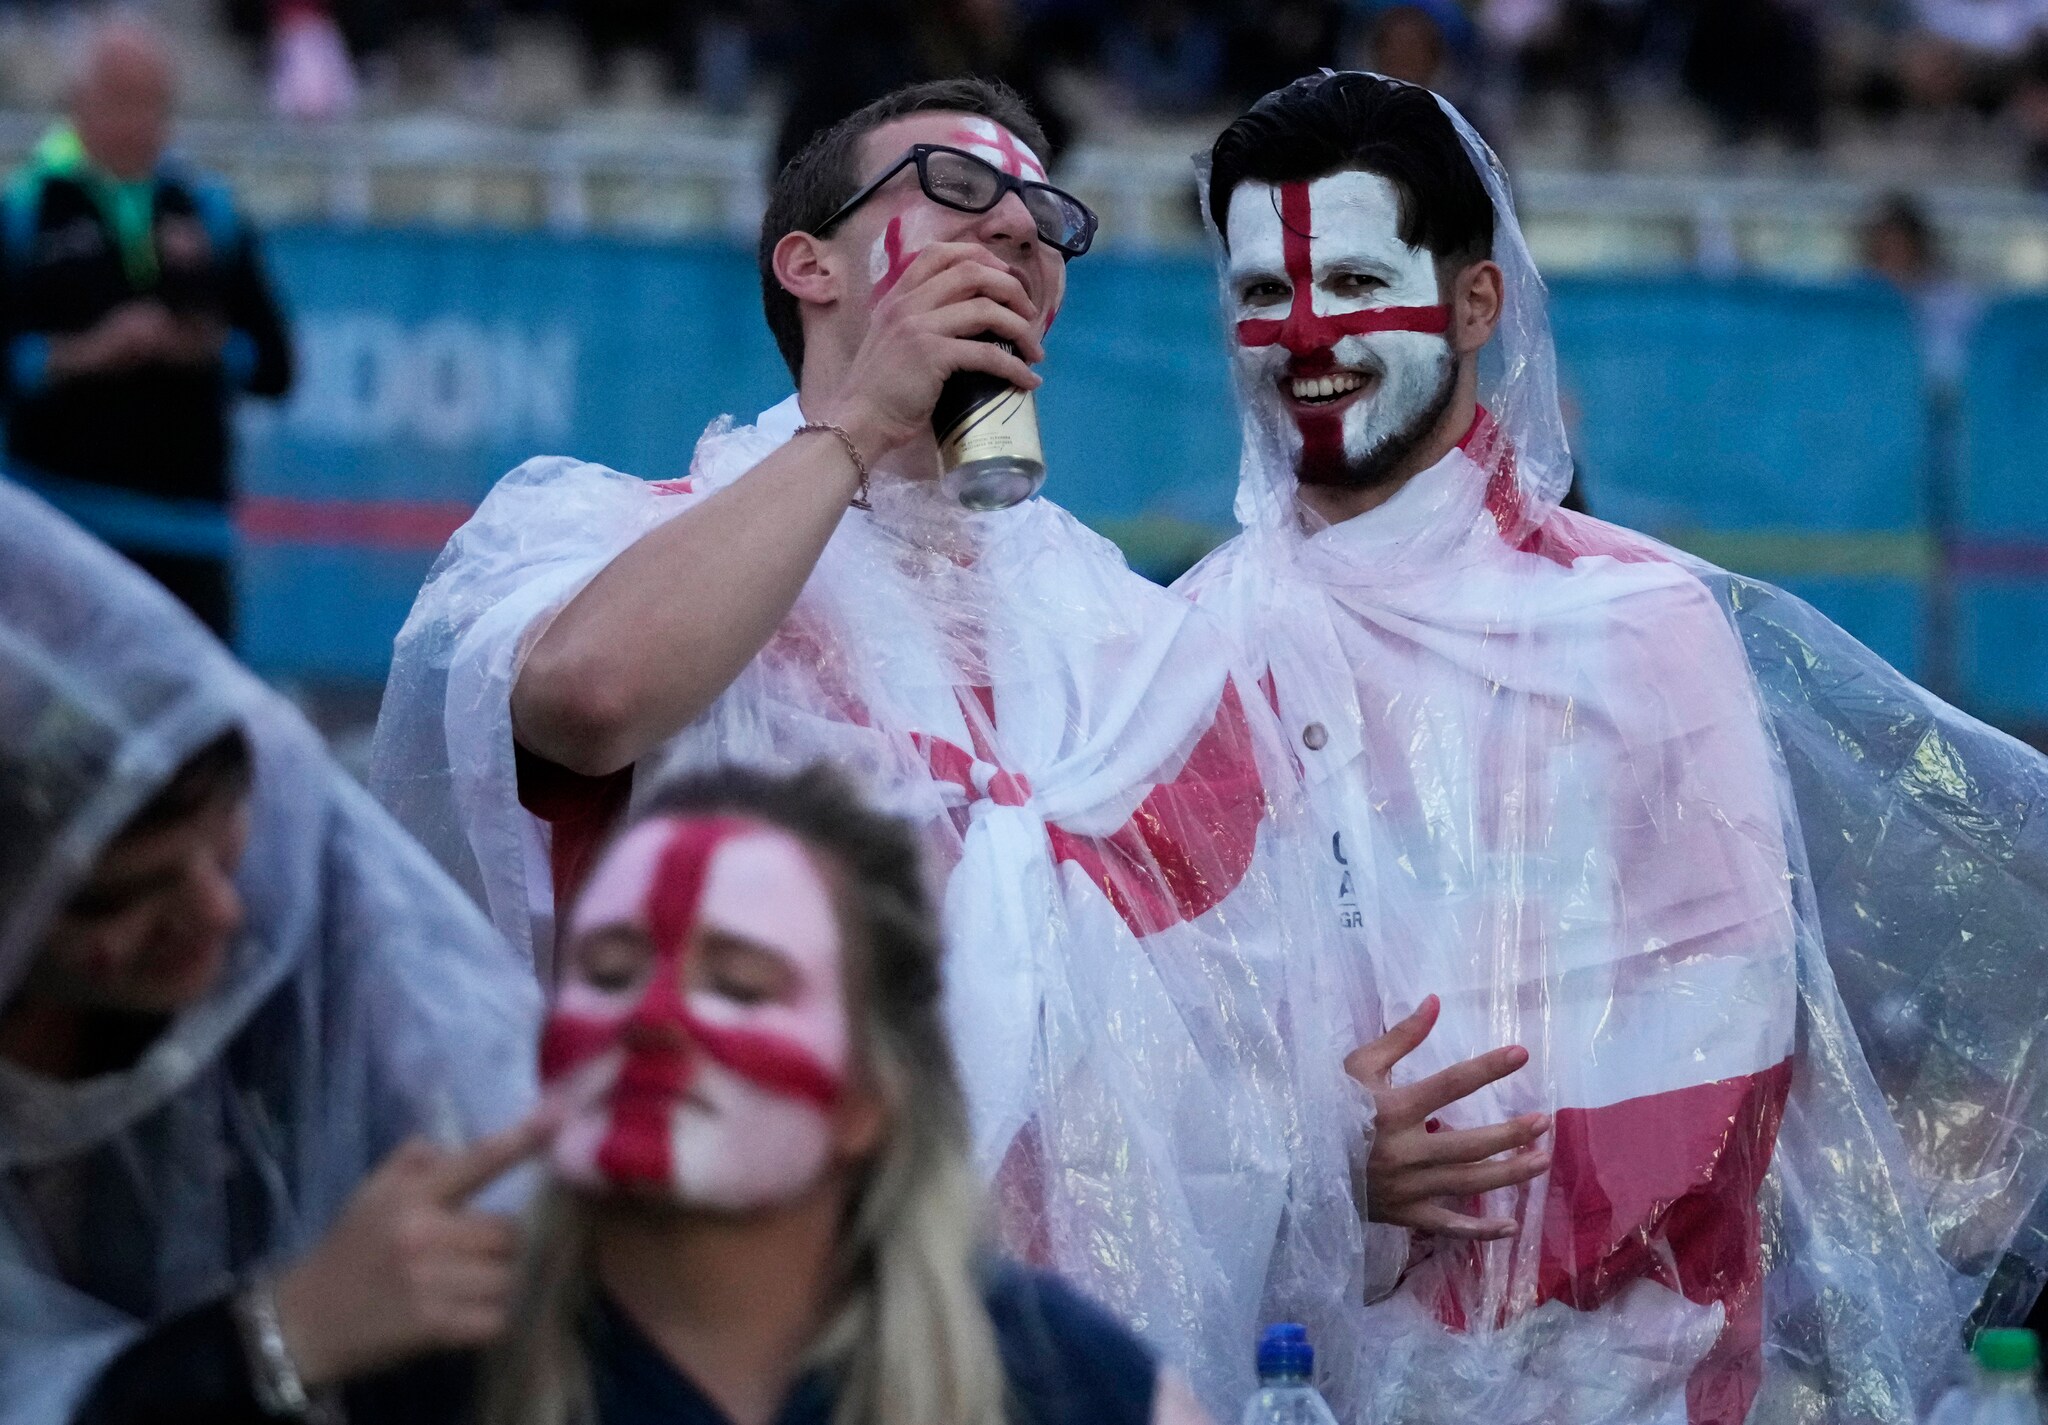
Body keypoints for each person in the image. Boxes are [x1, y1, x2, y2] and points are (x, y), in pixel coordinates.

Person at [373, 75, 1548, 1414]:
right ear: (808, 263)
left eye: (1040, 217)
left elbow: (1230, 1058)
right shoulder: (612, 534)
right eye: (953, 192)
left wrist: (1344, 1158)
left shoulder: (1146, 658)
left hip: (1056, 1371)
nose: (1011, 233)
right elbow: (591, 699)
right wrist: (860, 427)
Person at [1180, 71, 2048, 1422]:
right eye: (1261, 296)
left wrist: (1482, 1253)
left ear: (1477, 306)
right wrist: (1320, 1167)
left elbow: (1735, 1032)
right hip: (1294, 1381)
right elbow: (1143, 1053)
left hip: (1619, 1383)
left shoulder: (1641, 629)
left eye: (1353, 282)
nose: (1303, 334)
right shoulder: (1184, 650)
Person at [0, 477, 541, 1424]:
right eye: (125, 900)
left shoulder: (311, 930)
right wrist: (285, 1333)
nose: (214, 912)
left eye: (221, 843)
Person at [485, 761, 1212, 1425]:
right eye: (609, 974)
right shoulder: (419, 1357)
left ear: (869, 1095)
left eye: (739, 987)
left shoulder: (1073, 1388)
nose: (652, 1021)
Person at [0, 19, 295, 642]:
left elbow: (276, 364)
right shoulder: (27, 212)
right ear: (78, 103)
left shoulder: (208, 211)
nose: (139, 122)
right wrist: (83, 354)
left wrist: (205, 349)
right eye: (120, 99)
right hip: (60, 526)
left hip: (189, 534)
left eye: (154, 103)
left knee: (201, 735)